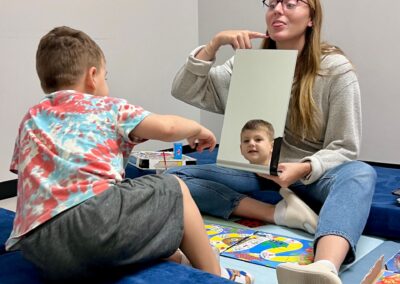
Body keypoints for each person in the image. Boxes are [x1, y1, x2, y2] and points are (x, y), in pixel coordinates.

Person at [6, 26, 254, 284]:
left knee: (133, 211)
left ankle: (179, 259)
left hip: (39, 248)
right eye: (106, 76)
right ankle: (216, 273)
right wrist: (198, 129)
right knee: (174, 188)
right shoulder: (107, 106)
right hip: (92, 226)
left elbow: (26, 173)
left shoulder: (31, 118)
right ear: (92, 76)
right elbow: (167, 127)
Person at [166, 0, 377, 283]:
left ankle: (324, 267)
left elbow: (345, 145)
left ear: (311, 18)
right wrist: (213, 45)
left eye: (290, 3)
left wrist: (302, 168)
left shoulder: (335, 69)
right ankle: (280, 214)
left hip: (311, 175)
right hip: (256, 171)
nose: (278, 9)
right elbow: (184, 89)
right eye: (272, 3)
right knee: (174, 178)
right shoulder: (245, 64)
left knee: (361, 173)